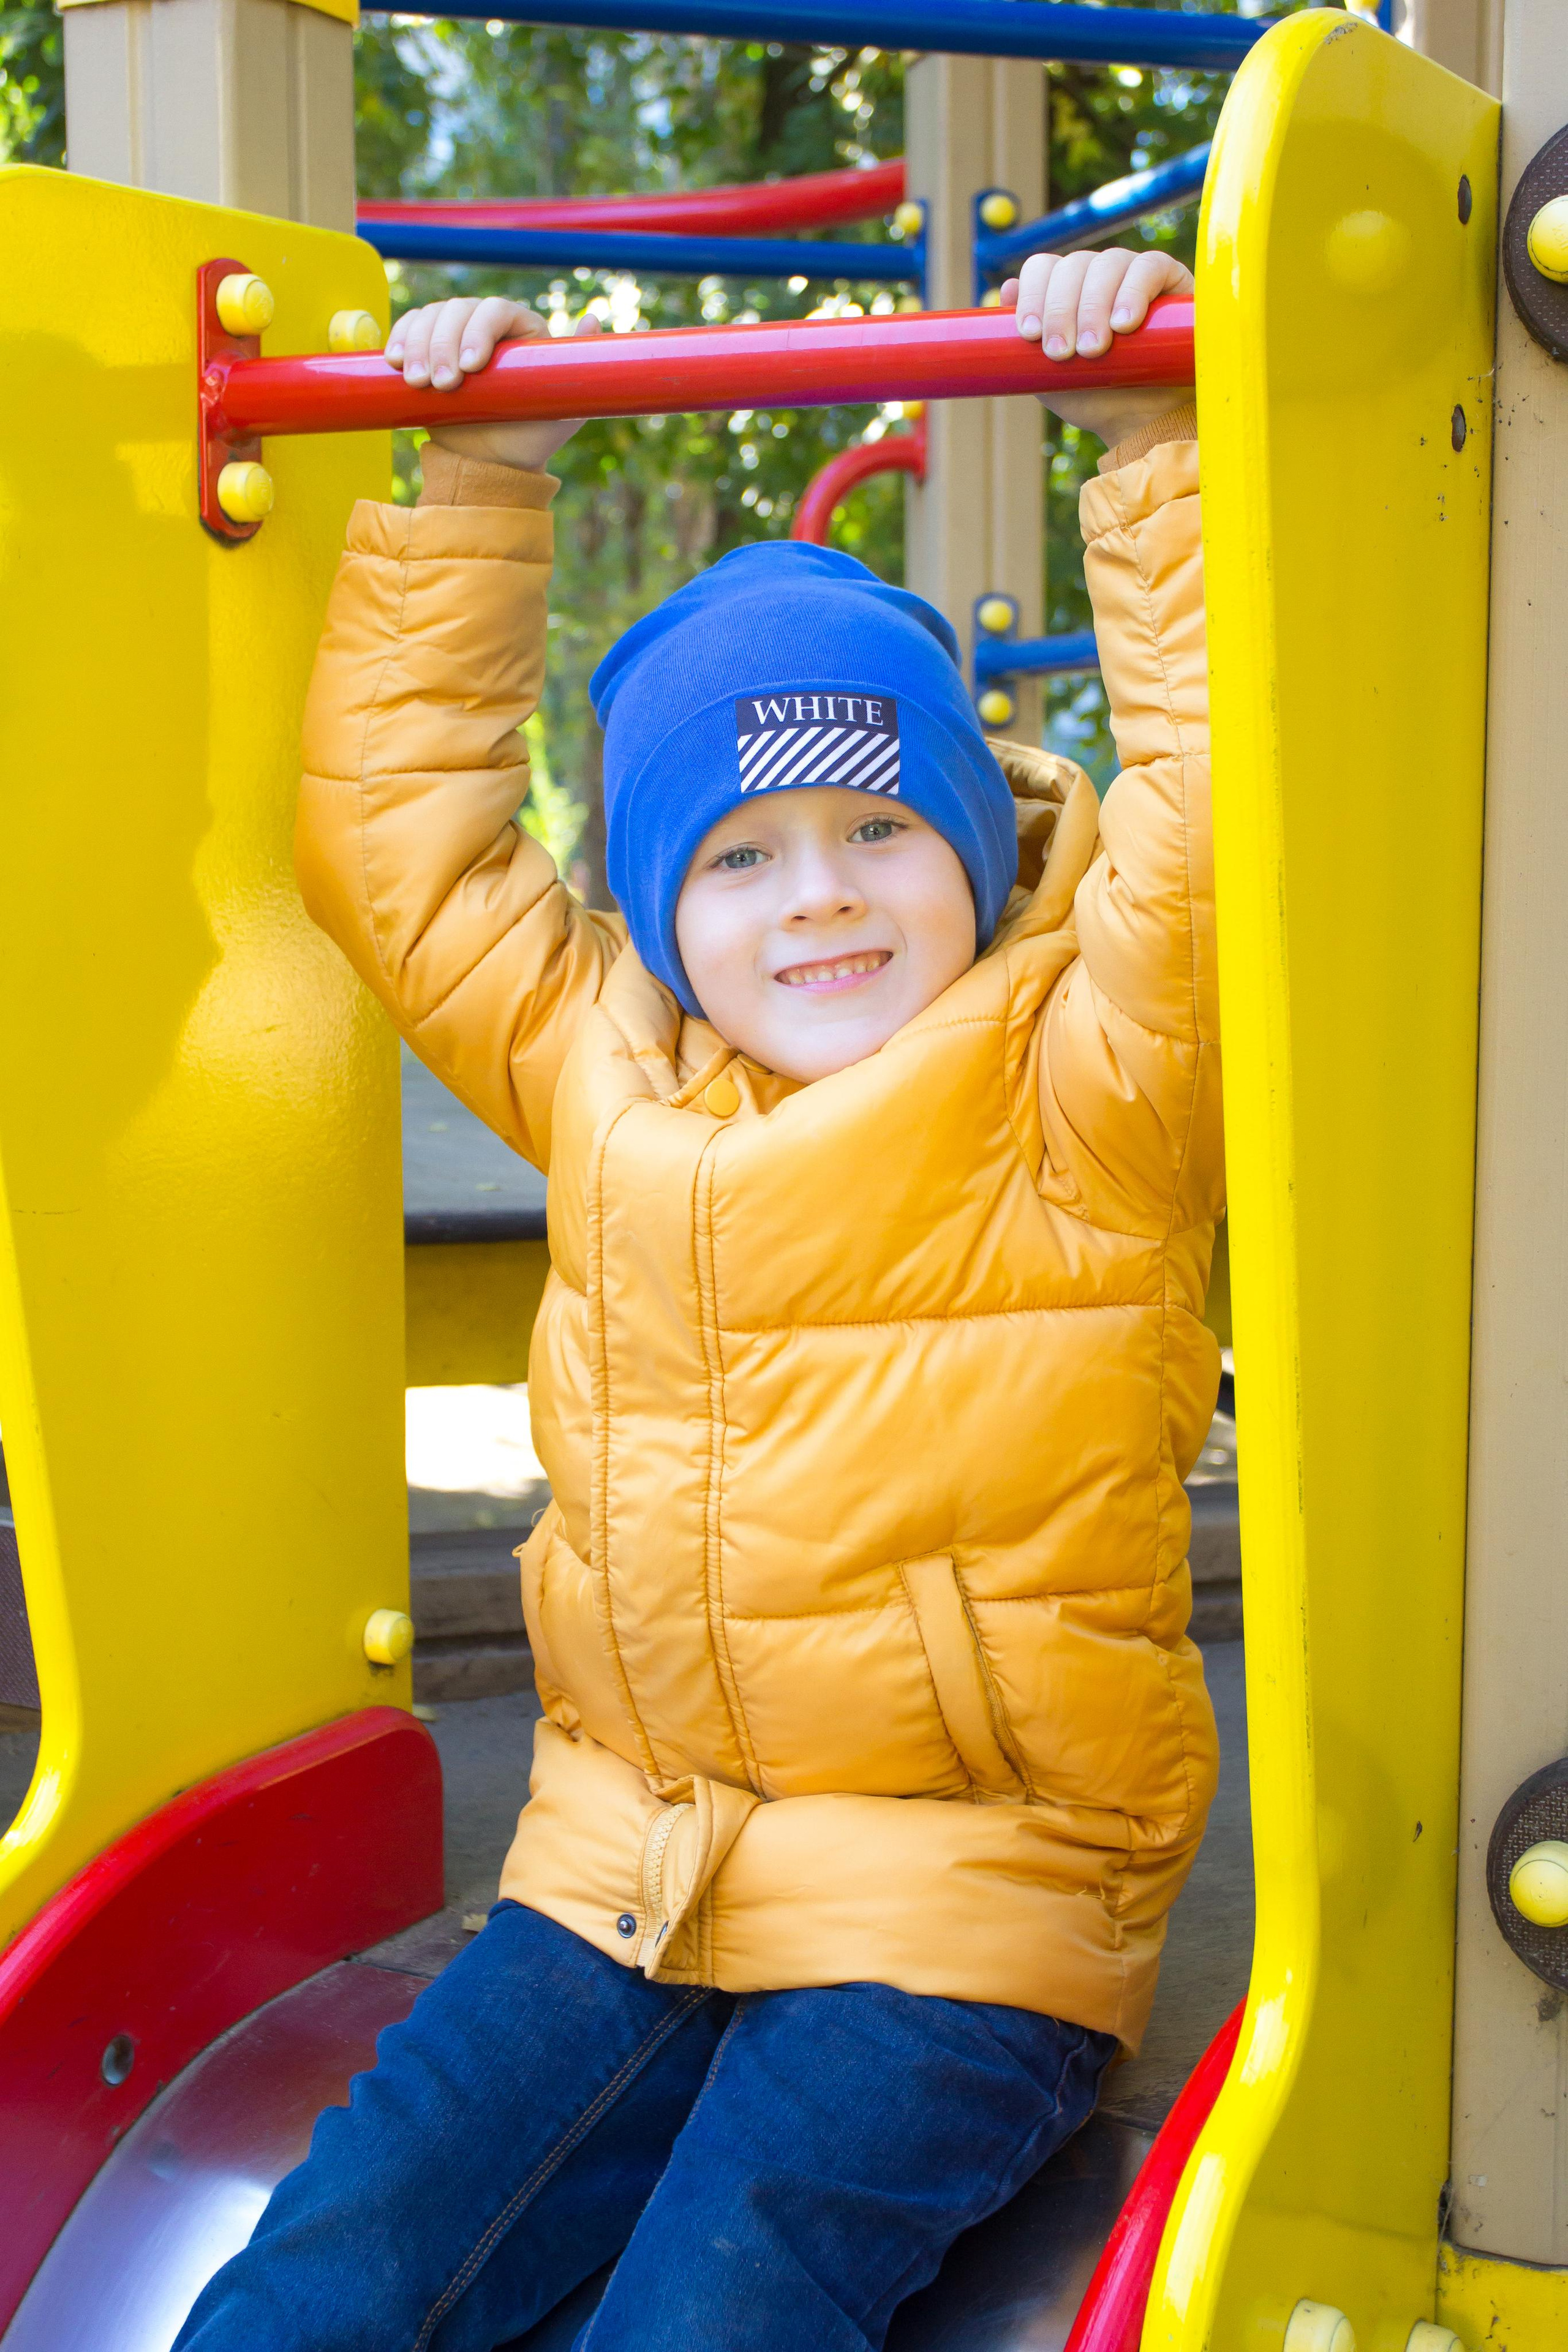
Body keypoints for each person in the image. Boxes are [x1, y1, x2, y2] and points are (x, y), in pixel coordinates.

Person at [175, 244, 1217, 2352]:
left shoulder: (1089, 1069)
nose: (817, 892)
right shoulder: (604, 1062)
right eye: (735, 858)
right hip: (614, 1870)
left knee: (710, 2313)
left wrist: (1162, 439)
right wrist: (474, 476)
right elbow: (405, 851)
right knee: (325, 2276)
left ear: (979, 857)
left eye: (874, 829)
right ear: (658, 904)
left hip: (966, 1908)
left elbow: (1223, 822)